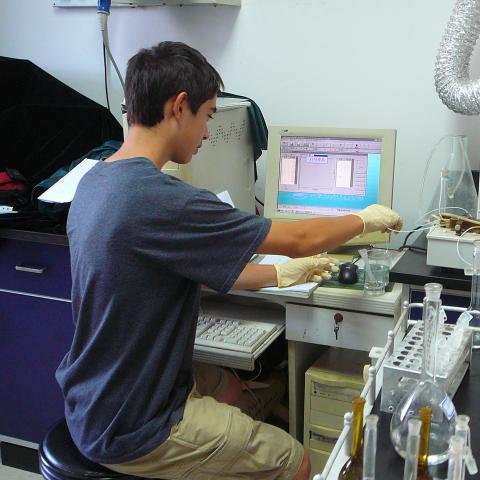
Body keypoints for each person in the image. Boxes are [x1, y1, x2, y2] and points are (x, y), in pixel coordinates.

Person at [56, 41, 402, 480]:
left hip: (91, 397)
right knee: (294, 460)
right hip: (135, 425)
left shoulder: (96, 180)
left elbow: (175, 277)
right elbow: (298, 237)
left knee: (235, 386)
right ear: (180, 107)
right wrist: (365, 218)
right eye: (207, 116)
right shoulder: (162, 200)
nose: (205, 133)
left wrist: (277, 274)